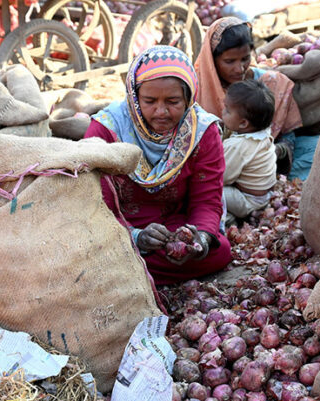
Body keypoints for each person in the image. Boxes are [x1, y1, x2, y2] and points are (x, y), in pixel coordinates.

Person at [84, 45, 232, 285]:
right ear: (134, 96)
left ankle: (123, 272)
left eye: (173, 101)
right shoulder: (106, 129)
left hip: (174, 226)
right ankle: (122, 266)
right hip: (117, 231)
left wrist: (199, 240)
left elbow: (207, 201)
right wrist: (137, 237)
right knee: (93, 250)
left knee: (219, 251)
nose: (161, 112)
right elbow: (94, 205)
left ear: (189, 98)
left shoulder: (202, 131)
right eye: (149, 101)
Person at [194, 17, 302, 174]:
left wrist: (276, 151)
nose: (239, 69)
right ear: (212, 60)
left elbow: (288, 136)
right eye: (229, 61)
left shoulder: (271, 83)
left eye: (245, 59)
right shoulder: (198, 88)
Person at [221, 79, 277, 225]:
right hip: (263, 196)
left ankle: (230, 219)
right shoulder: (262, 132)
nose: (222, 111)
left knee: (207, 190)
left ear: (243, 123)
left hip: (246, 200)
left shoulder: (238, 146)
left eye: (227, 110)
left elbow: (222, 176)